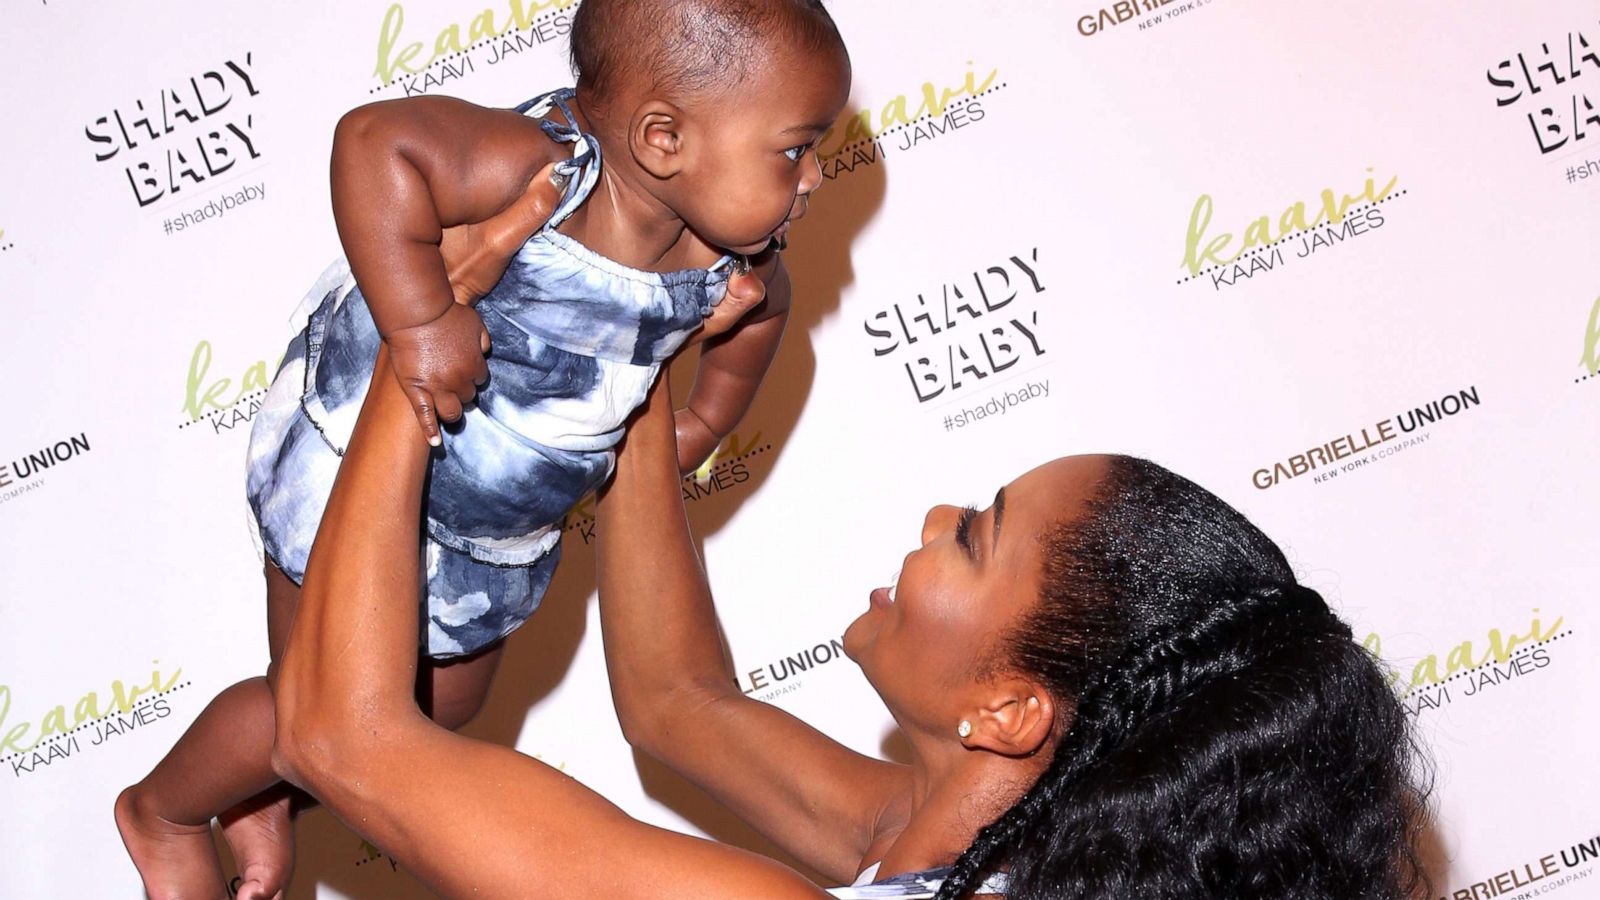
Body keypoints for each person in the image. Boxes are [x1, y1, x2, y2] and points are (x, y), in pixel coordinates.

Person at [265, 307, 1432, 895]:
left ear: (1010, 712)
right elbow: (679, 705)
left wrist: (420, 358)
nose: (933, 521)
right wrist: (641, 374)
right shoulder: (963, 856)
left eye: (974, 537)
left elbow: (341, 736)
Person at [115, 1, 852, 897]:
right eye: (794, 147)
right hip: (366, 459)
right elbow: (375, 141)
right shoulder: (544, 170)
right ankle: (169, 810)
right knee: (314, 704)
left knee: (439, 710)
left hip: (495, 521)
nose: (814, 175)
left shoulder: (726, 250)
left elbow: (763, 315)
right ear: (663, 139)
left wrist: (698, 424)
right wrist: (423, 322)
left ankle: (254, 787)